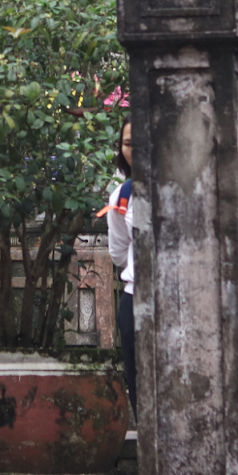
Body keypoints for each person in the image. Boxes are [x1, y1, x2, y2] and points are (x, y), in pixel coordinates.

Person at [99, 119, 137, 418]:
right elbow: (120, 253)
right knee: (140, 389)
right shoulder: (122, 197)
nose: (135, 150)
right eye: (128, 144)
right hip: (135, 302)